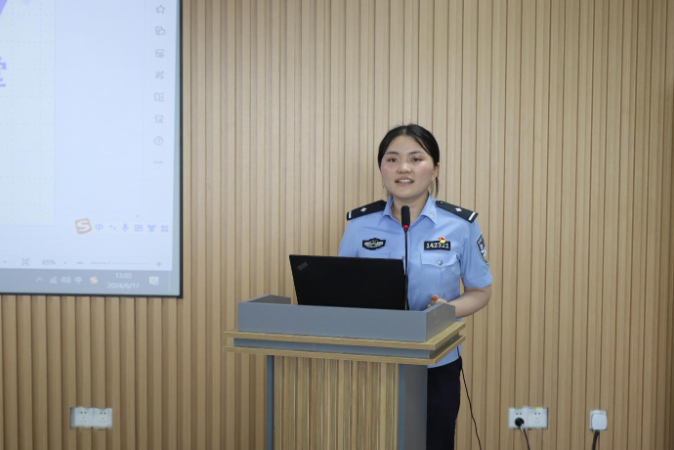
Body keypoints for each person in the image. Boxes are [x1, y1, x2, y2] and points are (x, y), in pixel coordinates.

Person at [338, 124, 493, 450]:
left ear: (435, 169)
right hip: (372, 362)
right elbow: (341, 293)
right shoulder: (359, 225)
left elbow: (481, 291)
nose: (403, 168)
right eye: (392, 159)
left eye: (415, 158)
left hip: (436, 364)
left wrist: (448, 309)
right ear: (382, 168)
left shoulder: (460, 225)